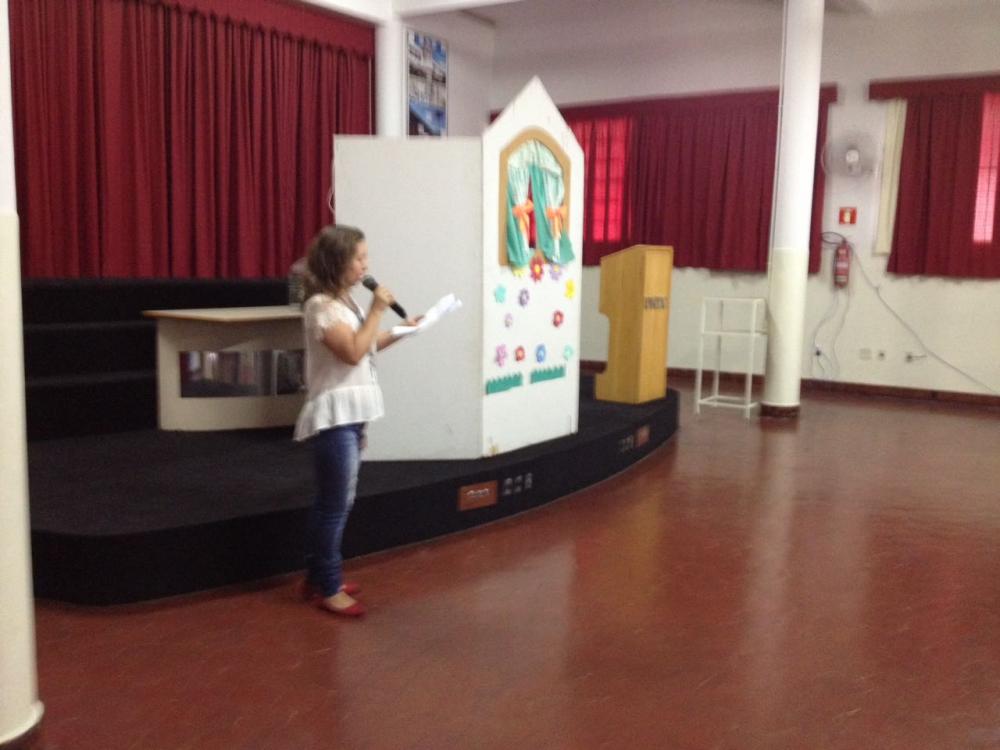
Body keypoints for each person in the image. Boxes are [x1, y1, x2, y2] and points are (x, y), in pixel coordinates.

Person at [293, 224, 414, 617]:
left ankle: (318, 577)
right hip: (335, 418)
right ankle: (329, 588)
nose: (366, 265)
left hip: (352, 414)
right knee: (335, 507)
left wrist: (402, 330)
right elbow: (351, 352)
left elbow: (365, 345)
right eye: (358, 257)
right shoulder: (321, 306)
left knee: (332, 503)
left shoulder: (344, 302)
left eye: (365, 257)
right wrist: (377, 309)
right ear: (336, 261)